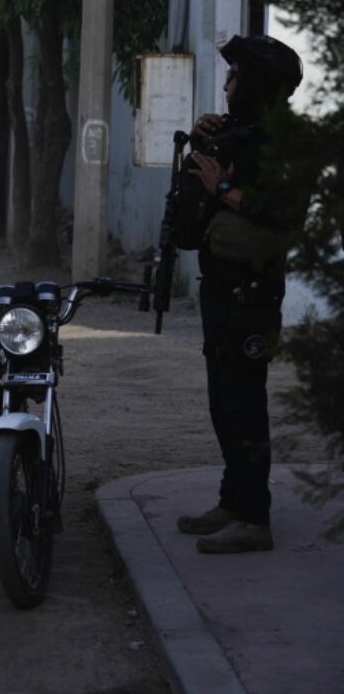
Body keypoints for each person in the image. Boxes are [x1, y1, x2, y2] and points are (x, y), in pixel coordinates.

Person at [175, 33, 305, 554]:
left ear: (255, 83)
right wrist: (208, 135)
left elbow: (283, 214)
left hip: (253, 291)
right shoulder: (244, 133)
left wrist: (222, 190)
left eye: (234, 77)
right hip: (223, 283)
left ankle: (255, 520)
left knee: (245, 403)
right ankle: (234, 501)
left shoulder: (287, 142)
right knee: (223, 400)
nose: (226, 87)